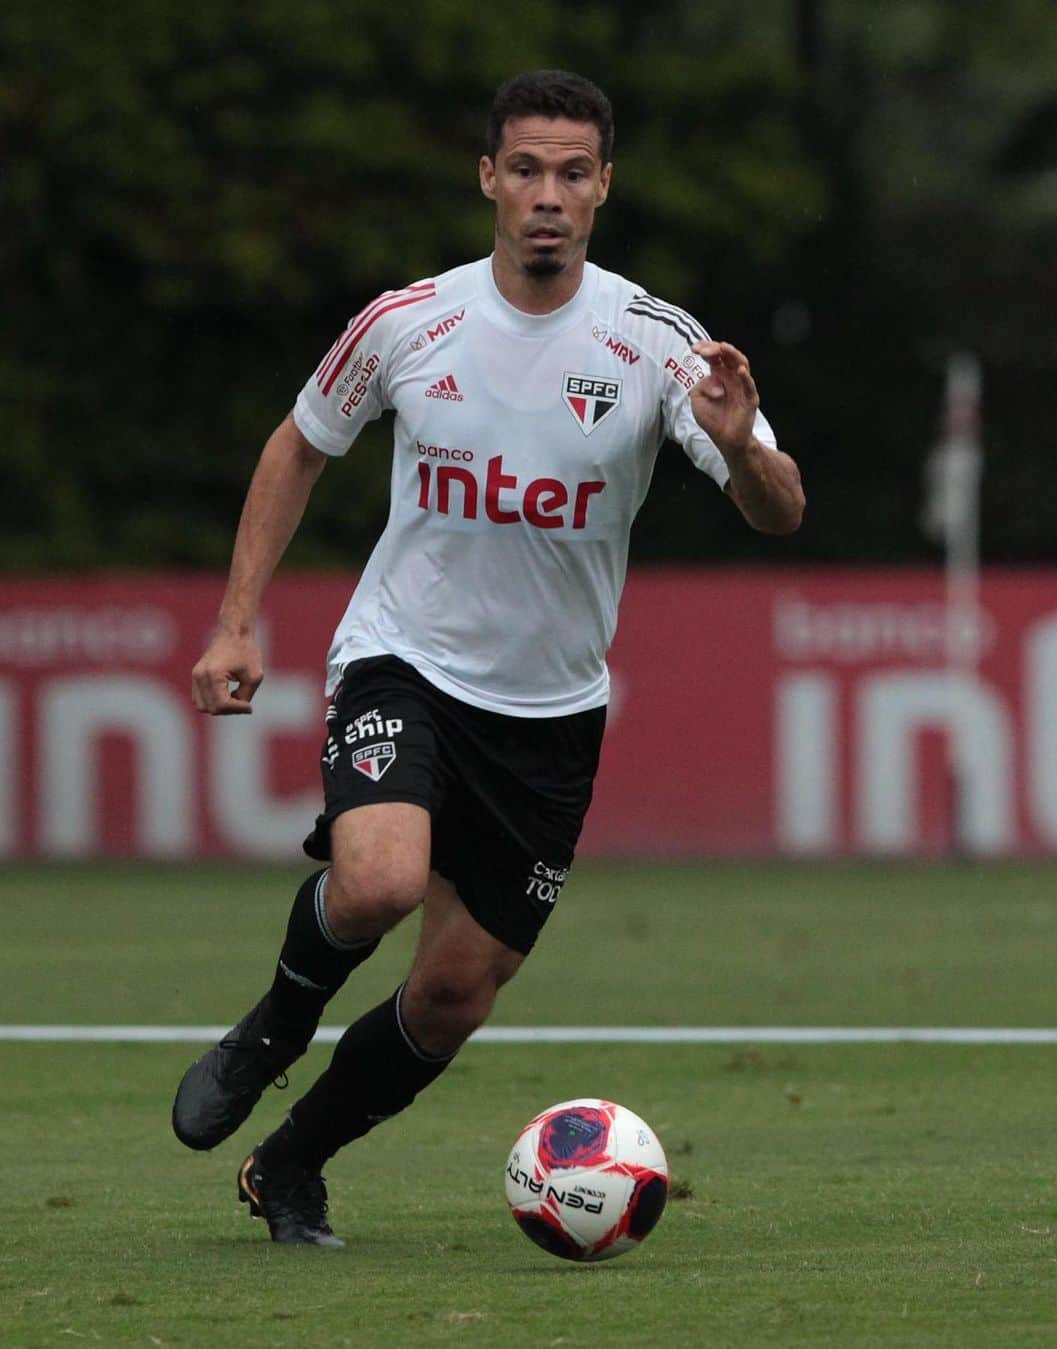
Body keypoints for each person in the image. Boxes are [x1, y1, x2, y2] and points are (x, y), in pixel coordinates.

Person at [172, 69, 804, 1246]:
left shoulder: (659, 344)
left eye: (573, 172)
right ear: (489, 180)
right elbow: (300, 445)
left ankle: (291, 1162)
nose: (548, 196)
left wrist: (742, 451)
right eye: (526, 170)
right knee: (377, 880)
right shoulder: (412, 322)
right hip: (405, 660)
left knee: (455, 992)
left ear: (604, 186)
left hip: (551, 718)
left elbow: (781, 509)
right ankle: (272, 1024)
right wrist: (238, 617)